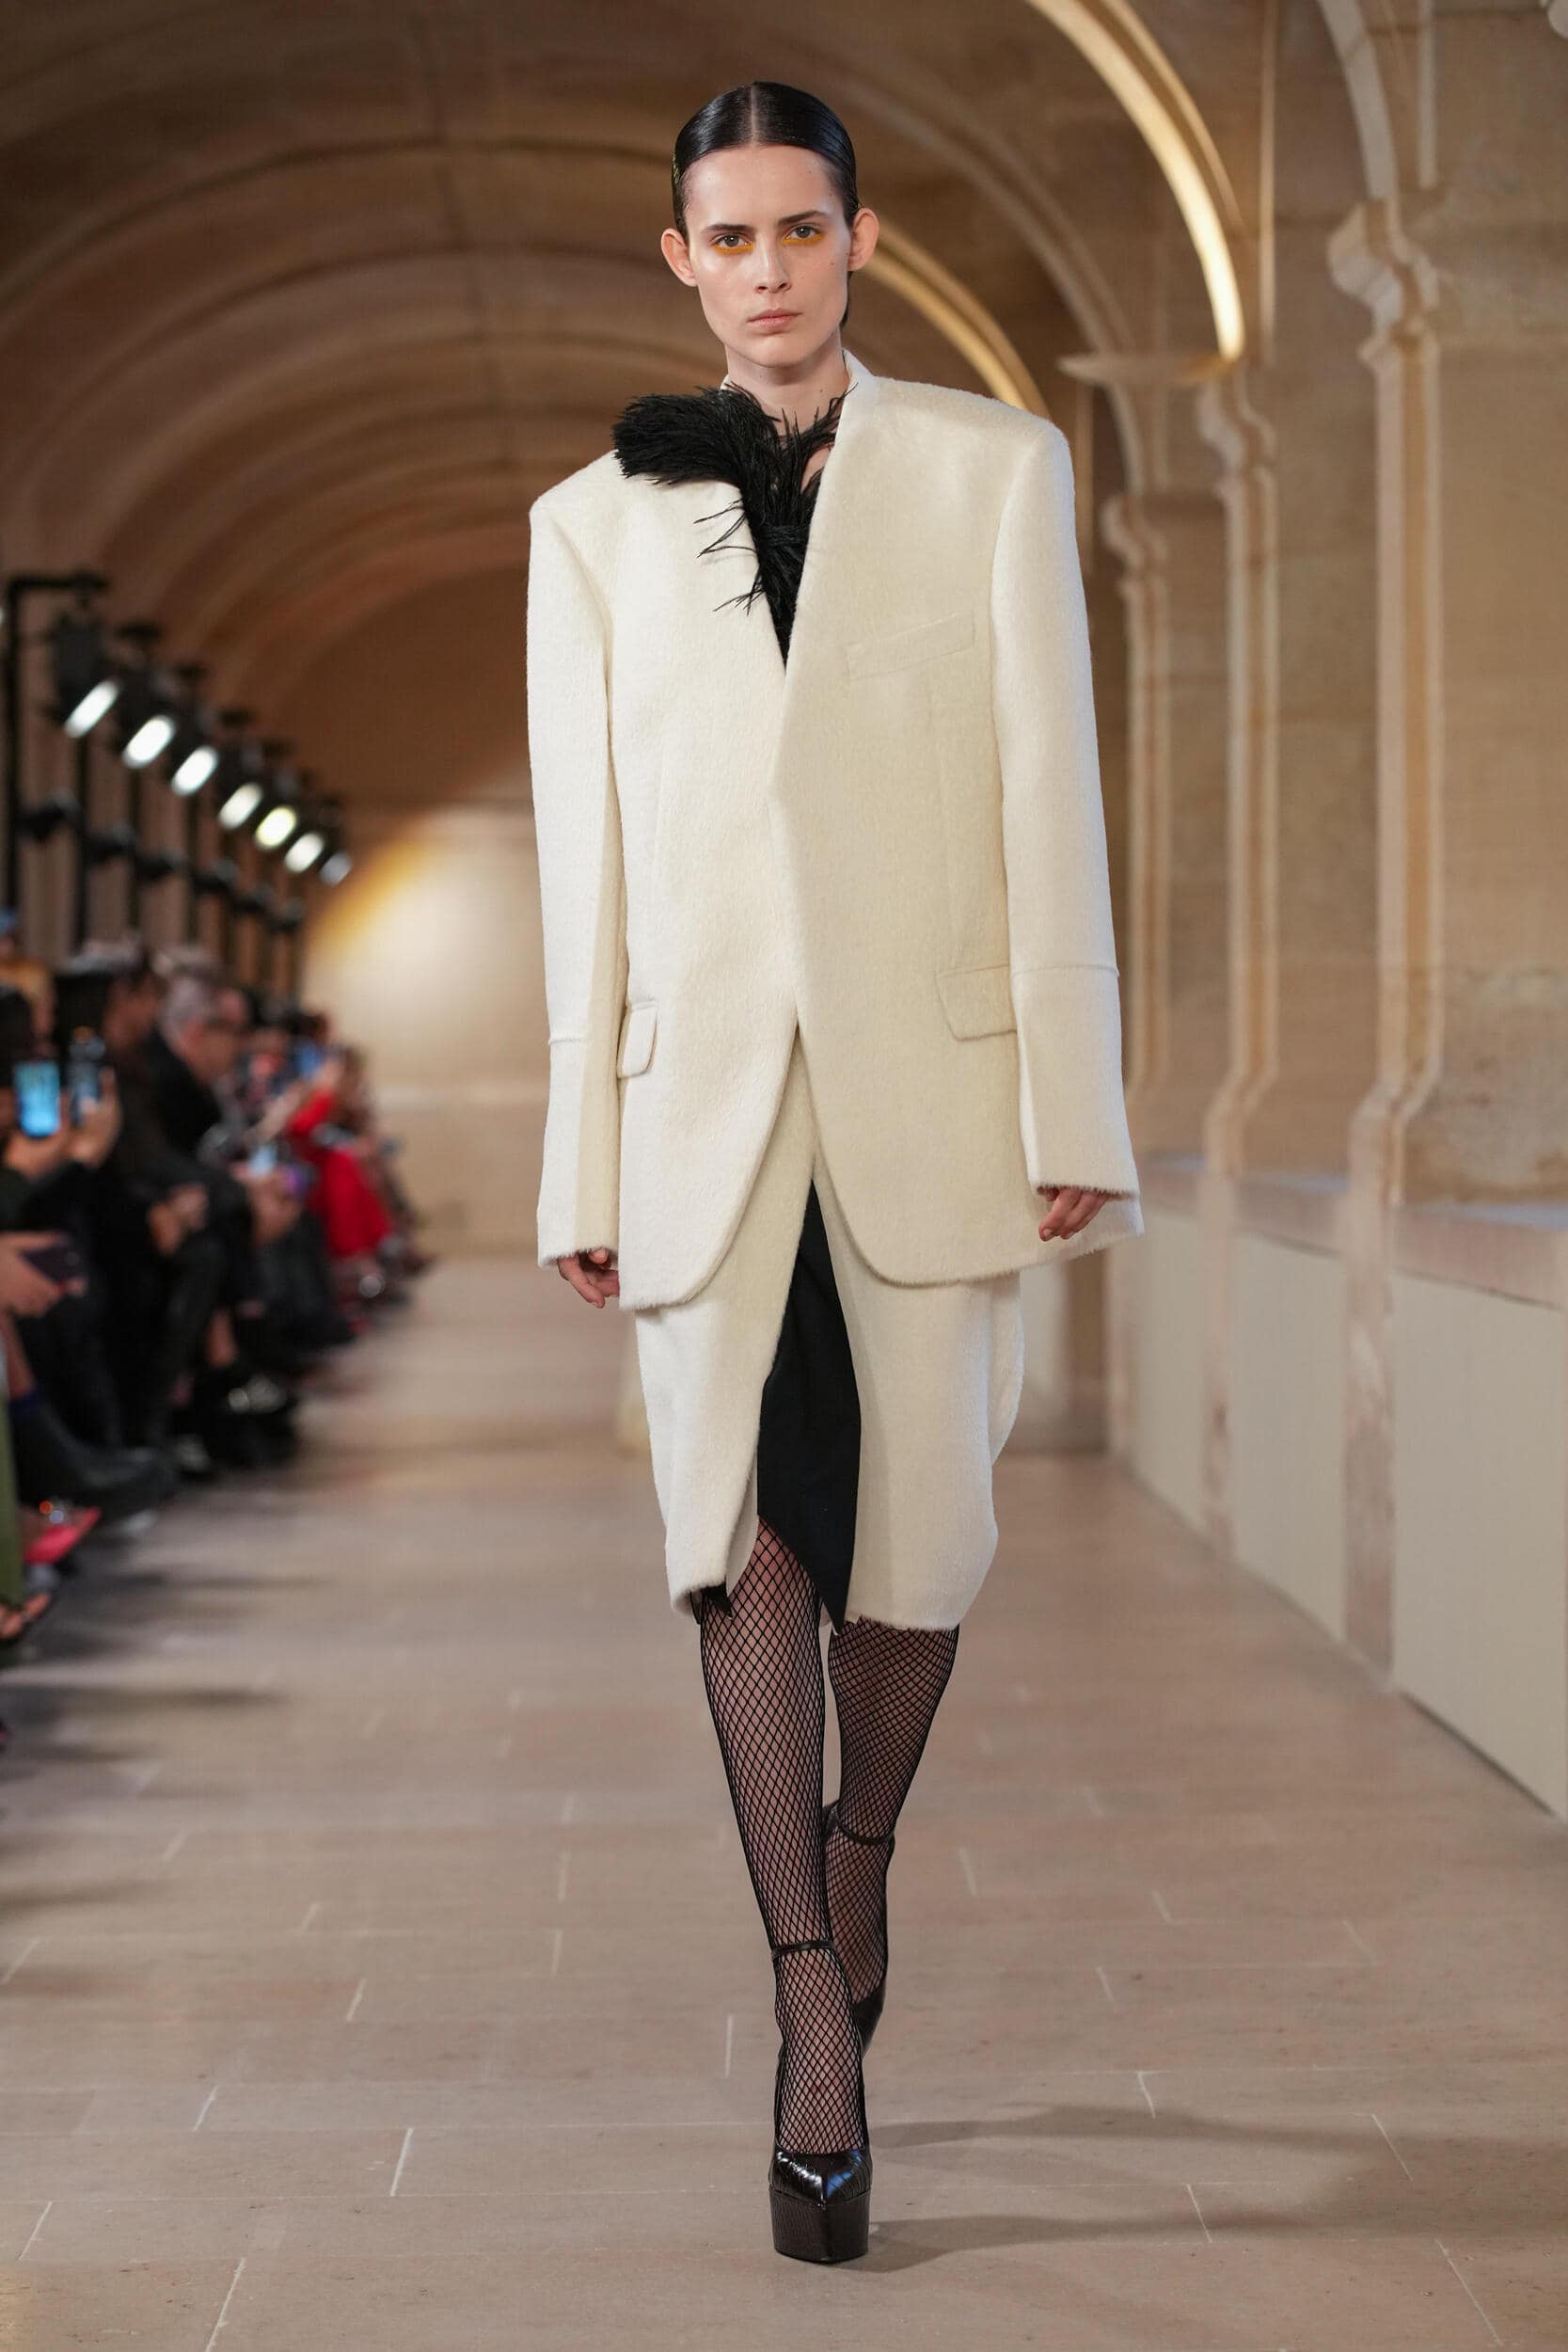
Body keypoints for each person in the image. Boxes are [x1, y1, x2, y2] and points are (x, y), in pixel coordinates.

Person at [527, 81, 1143, 2265]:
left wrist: (1077, 1100)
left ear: (859, 242)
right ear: (679, 256)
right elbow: (589, 863)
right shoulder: (587, 522)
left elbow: (1050, 784)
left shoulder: (993, 466)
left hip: (934, 1097)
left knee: (921, 1549)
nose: (770, 267)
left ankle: (860, 1847)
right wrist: (578, 1154)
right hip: (701, 1114)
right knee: (741, 1543)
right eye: (732, 234)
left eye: (804, 228)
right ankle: (813, 2010)